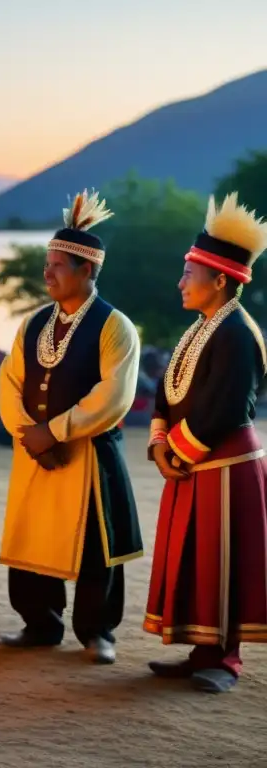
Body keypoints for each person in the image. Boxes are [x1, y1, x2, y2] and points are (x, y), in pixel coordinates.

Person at [0, 189, 142, 664]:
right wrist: (28, 434)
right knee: (32, 533)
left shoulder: (115, 326)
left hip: (89, 453)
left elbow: (113, 396)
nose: (47, 273)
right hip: (35, 449)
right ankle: (39, 624)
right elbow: (10, 380)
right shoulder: (33, 324)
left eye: (58, 264)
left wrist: (54, 431)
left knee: (97, 547)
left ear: (87, 270)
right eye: (47, 263)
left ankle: (97, 631)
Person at [144, 192, 267, 693]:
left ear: (220, 280)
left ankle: (225, 661)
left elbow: (225, 408)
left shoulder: (238, 333)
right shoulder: (200, 328)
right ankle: (201, 652)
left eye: (188, 275)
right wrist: (158, 445)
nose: (180, 283)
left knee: (225, 561)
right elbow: (165, 390)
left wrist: (175, 452)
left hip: (225, 468)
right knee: (197, 559)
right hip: (191, 464)